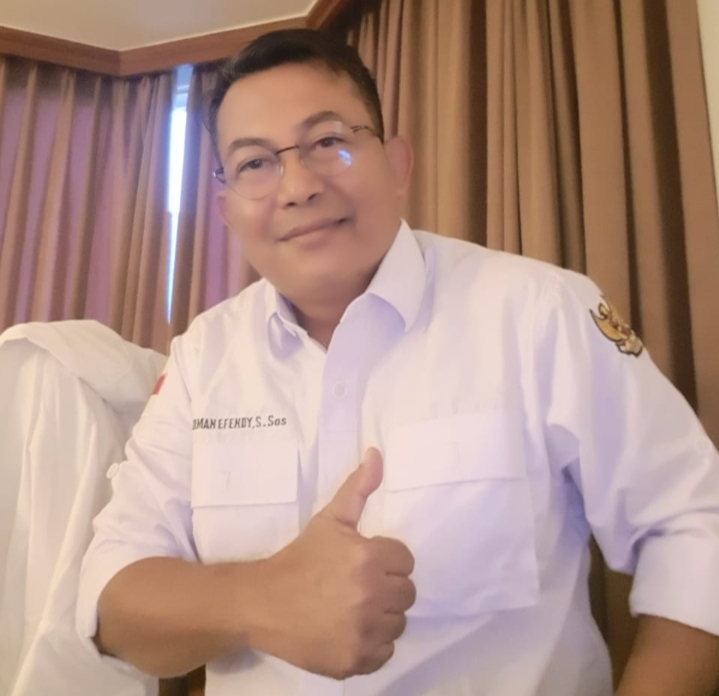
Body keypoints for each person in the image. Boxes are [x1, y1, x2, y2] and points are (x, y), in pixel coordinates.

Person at [77, 28, 719, 696]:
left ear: (396, 164)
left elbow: (697, 526)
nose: (297, 186)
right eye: (255, 163)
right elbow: (110, 599)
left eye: (328, 141)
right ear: (228, 212)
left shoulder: (538, 312)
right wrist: (259, 599)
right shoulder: (201, 360)